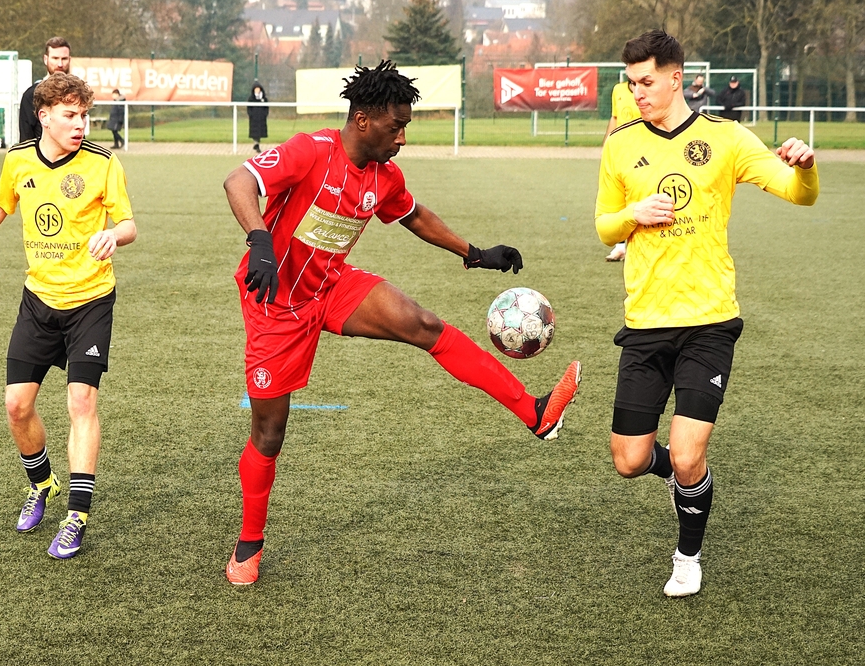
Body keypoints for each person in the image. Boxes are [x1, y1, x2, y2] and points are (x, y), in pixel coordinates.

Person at [222, 61, 582, 585]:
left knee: (424, 324)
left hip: (331, 286)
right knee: (270, 432)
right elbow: (239, 181)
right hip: (276, 302)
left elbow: (413, 215)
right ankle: (249, 546)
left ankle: (536, 412)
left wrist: (474, 252)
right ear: (363, 120)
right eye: (396, 127)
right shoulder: (311, 151)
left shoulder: (383, 176)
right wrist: (259, 240)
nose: (403, 139)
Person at [595, 30, 819, 598]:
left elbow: (799, 193)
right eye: (631, 83)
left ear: (676, 78)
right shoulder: (621, 144)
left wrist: (805, 166)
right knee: (629, 460)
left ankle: (687, 557)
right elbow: (603, 225)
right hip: (645, 322)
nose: (637, 92)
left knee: (690, 453)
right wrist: (633, 215)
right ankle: (680, 474)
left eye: (647, 82)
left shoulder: (726, 137)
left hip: (709, 322)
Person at [0, 72, 137, 560]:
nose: (80, 124)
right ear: (44, 116)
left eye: (84, 115)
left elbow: (128, 223)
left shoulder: (102, 162)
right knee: (16, 405)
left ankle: (76, 516)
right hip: (39, 300)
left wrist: (113, 235)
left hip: (91, 300)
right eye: (70, 115)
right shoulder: (18, 160)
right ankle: (42, 483)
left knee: (81, 402)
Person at [601, 81, 642, 262]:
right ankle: (620, 247)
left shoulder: (647, 91)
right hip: (622, 151)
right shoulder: (618, 89)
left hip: (643, 151)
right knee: (620, 198)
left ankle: (638, 245)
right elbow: (614, 118)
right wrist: (607, 144)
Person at [19, 36, 72, 142]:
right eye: (55, 58)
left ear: (69, 60)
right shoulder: (31, 95)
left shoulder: (75, 93)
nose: (60, 64)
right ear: (45, 59)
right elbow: (26, 138)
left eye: (64, 59)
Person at [246, 82, 268, 152]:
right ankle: (256, 144)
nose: (257, 90)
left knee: (260, 132)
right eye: (256, 89)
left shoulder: (264, 98)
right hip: (254, 119)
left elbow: (266, 108)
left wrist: (264, 114)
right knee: (254, 132)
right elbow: (249, 108)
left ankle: (257, 144)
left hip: (261, 118)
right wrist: (251, 115)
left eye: (258, 89)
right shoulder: (251, 98)